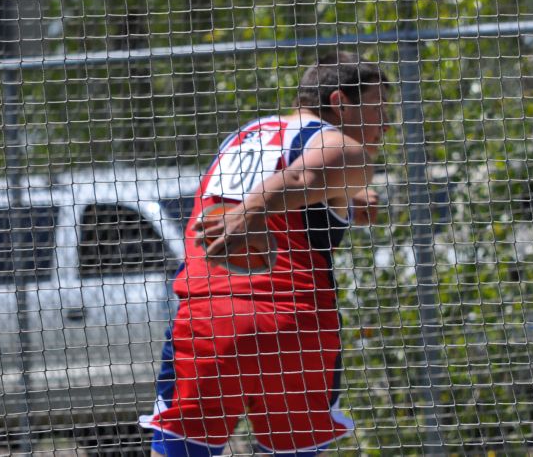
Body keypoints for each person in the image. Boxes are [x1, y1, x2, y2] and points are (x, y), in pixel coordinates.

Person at [139, 51, 390, 456]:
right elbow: (302, 175)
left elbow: (292, 181)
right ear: (340, 103)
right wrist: (249, 212)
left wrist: (344, 199)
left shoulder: (242, 136)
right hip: (292, 329)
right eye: (379, 108)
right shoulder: (348, 150)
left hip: (206, 324)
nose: (387, 123)